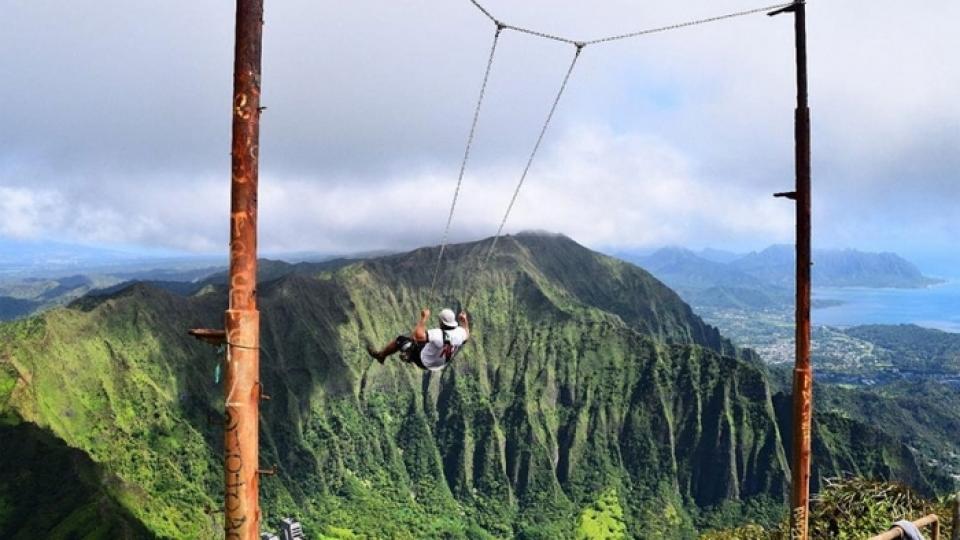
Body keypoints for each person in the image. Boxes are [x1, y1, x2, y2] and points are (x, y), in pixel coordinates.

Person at [367, 308, 470, 371]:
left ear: (442, 322)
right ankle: (409, 353)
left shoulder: (438, 334)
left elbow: (418, 335)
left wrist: (424, 318)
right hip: (440, 364)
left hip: (425, 361)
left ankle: (382, 356)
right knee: (417, 341)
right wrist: (464, 321)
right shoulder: (460, 333)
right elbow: (466, 336)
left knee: (402, 340)